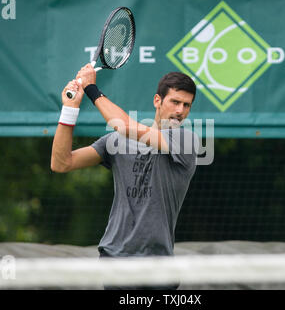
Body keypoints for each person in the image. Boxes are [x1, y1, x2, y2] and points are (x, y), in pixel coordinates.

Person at [51, 64, 199, 289]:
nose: (180, 111)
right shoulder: (115, 142)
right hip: (115, 261)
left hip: (159, 267)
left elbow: (123, 126)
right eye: (175, 102)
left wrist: (92, 89)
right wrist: (69, 110)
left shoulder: (187, 142)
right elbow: (61, 163)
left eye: (186, 105)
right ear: (157, 101)